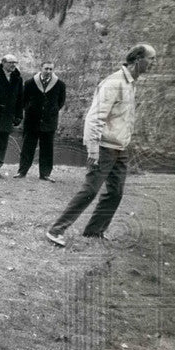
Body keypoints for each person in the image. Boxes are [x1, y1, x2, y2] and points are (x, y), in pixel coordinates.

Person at [46, 44, 157, 247]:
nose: (154, 63)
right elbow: (94, 117)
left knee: (115, 192)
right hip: (104, 147)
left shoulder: (131, 83)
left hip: (120, 148)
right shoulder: (114, 82)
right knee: (90, 189)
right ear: (137, 59)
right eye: (151, 58)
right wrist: (93, 149)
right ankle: (56, 229)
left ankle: (94, 231)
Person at [16, 61, 66, 181]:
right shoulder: (30, 83)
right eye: (46, 69)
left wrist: (51, 112)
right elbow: (23, 100)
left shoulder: (60, 84)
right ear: (41, 68)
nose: (48, 71)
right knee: (27, 147)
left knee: (47, 149)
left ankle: (45, 174)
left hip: (49, 123)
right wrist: (30, 109)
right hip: (31, 122)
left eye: (51, 69)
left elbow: (60, 102)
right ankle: (22, 171)